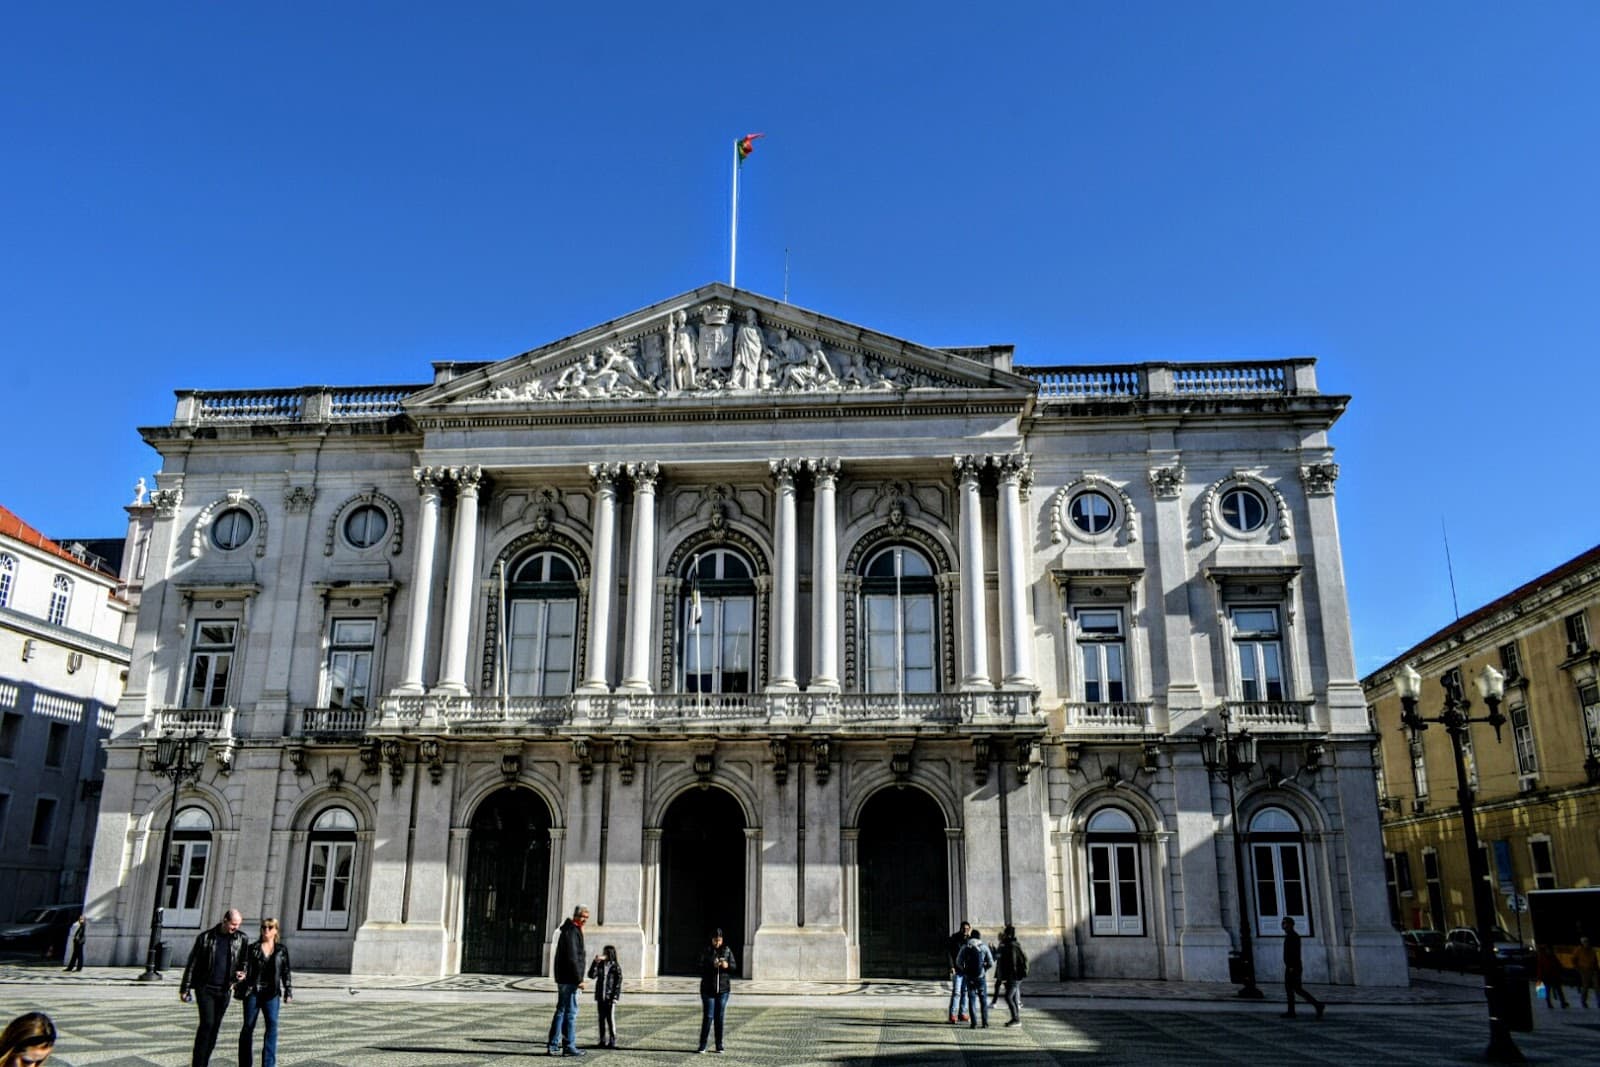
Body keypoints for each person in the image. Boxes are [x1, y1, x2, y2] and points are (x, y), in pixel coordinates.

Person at [179, 908, 249, 1067]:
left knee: (215, 1026)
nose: (235, 928)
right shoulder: (206, 938)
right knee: (207, 1023)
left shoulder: (241, 939)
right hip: (205, 988)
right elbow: (193, 963)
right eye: (233, 924)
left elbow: (244, 961)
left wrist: (242, 973)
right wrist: (185, 988)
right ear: (224, 920)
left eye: (238, 925)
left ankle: (205, 1060)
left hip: (225, 989)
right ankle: (198, 1063)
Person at [238, 917, 293, 1067]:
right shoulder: (252, 949)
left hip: (271, 993)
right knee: (248, 1027)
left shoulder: (281, 950)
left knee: (272, 1026)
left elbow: (285, 971)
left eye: (269, 927)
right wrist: (241, 975)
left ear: (275, 930)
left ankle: (268, 1064)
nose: (266, 930)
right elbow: (244, 967)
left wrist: (288, 990)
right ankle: (244, 1063)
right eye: (263, 927)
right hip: (253, 992)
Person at [547, 905, 589, 1057]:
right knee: (570, 1013)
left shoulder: (570, 929)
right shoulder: (572, 931)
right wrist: (579, 979)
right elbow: (573, 957)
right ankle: (569, 1046)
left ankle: (553, 1045)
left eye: (586, 917)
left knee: (561, 1011)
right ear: (576, 916)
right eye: (583, 917)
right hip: (570, 979)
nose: (585, 920)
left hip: (564, 977)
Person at [696, 928, 736, 1054]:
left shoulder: (727, 950)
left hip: (723, 989)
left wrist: (727, 966)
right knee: (708, 1016)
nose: (717, 943)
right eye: (715, 940)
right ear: (711, 940)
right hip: (708, 989)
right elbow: (699, 966)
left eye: (719, 940)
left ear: (722, 940)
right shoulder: (706, 951)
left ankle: (719, 1045)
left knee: (719, 1017)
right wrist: (710, 964)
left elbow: (734, 967)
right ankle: (702, 1045)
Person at [1281, 917, 1325, 1019]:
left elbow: (1294, 953)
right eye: (1283, 924)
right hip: (1291, 966)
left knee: (1295, 989)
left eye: (1285, 924)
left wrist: (1291, 966)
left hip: (1293, 967)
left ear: (1291, 925)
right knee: (1294, 990)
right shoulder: (1290, 936)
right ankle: (1292, 1011)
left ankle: (1317, 1005)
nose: (1283, 926)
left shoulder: (1293, 936)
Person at [956, 927, 993, 1028]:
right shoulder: (984, 947)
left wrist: (964, 970)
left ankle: (974, 1023)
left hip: (969, 977)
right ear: (979, 937)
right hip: (981, 977)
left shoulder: (965, 947)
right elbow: (991, 962)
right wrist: (984, 969)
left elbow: (958, 962)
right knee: (983, 1000)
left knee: (971, 999)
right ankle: (985, 1023)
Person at [586, 944, 622, 1049]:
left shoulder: (615, 967)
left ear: (610, 954)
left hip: (610, 997)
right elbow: (591, 975)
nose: (604, 955)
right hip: (600, 996)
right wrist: (595, 963)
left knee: (610, 1018)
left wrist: (615, 997)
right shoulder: (600, 965)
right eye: (604, 952)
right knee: (601, 1018)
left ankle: (612, 1039)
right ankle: (602, 1040)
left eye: (606, 953)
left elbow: (618, 983)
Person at [993, 925, 1029, 1026]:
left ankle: (1016, 1019)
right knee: (1012, 998)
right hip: (1015, 976)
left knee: (1008, 997)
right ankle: (1016, 1018)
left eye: (1005, 933)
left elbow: (1012, 963)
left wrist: (1006, 978)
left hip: (1014, 976)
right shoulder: (1012, 944)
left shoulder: (1012, 945)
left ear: (1007, 934)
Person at [945, 921, 972, 1023]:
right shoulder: (954, 939)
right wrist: (951, 966)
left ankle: (963, 1014)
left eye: (967, 929)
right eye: (964, 929)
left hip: (967, 970)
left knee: (964, 992)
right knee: (956, 992)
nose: (966, 931)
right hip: (957, 969)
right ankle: (953, 1014)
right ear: (960, 929)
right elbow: (949, 953)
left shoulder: (970, 940)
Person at [1576, 936, 1600, 1008]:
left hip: (1593, 971)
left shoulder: (1592, 950)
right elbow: (1574, 960)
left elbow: (1595, 961)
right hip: (1585, 971)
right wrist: (1578, 968)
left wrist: (1597, 970)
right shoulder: (1579, 950)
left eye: (1587, 941)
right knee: (1585, 987)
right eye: (1585, 942)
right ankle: (1583, 1002)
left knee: (1597, 987)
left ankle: (1599, 1002)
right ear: (1582, 943)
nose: (1586, 943)